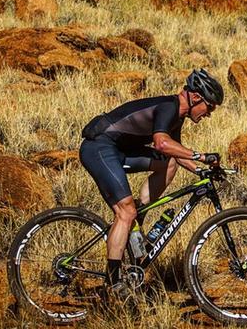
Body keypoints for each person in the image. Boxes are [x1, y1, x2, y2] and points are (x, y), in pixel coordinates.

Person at [79, 68, 224, 296]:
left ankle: (140, 211)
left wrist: (201, 171)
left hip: (118, 150)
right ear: (196, 97)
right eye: (210, 107)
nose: (209, 113)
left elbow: (175, 154)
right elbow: (162, 145)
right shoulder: (169, 107)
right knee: (125, 213)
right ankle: (114, 281)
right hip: (99, 147)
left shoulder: (177, 117)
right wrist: (203, 156)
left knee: (168, 164)